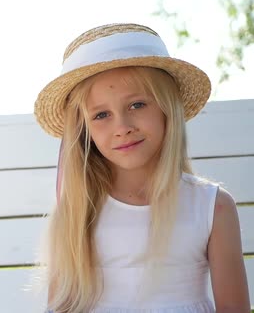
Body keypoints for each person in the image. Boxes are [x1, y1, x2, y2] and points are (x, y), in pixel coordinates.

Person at [33, 23, 250, 312]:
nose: (122, 127)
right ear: (84, 130)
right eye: (101, 114)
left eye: (137, 105)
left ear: (166, 108)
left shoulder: (213, 207)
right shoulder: (76, 211)